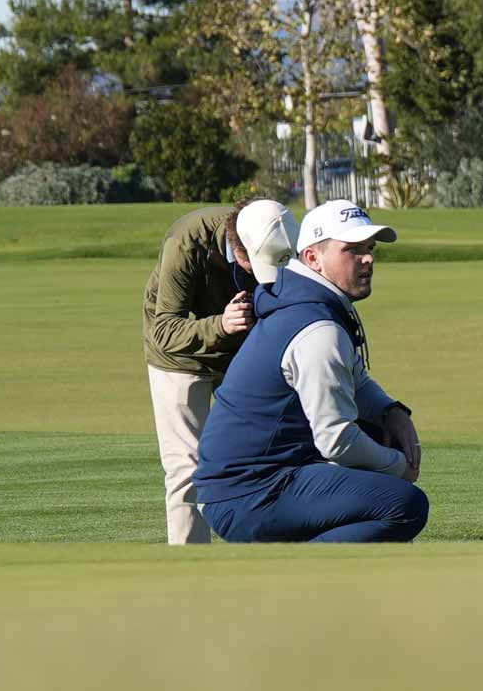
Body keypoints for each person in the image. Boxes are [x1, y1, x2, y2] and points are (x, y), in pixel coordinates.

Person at [194, 199, 428, 543]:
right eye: (352, 250)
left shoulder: (304, 301)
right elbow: (336, 439)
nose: (368, 259)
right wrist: (399, 467)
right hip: (247, 494)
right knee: (403, 504)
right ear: (313, 258)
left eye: (370, 248)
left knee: (379, 435)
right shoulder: (317, 327)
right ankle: (297, 576)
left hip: (251, 482)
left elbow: (356, 378)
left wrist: (391, 412)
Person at [143, 198, 300, 545]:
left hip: (243, 353)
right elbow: (164, 330)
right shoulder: (186, 242)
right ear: (236, 244)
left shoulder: (278, 233)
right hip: (180, 358)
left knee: (269, 453)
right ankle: (189, 573)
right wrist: (221, 325)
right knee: (188, 470)